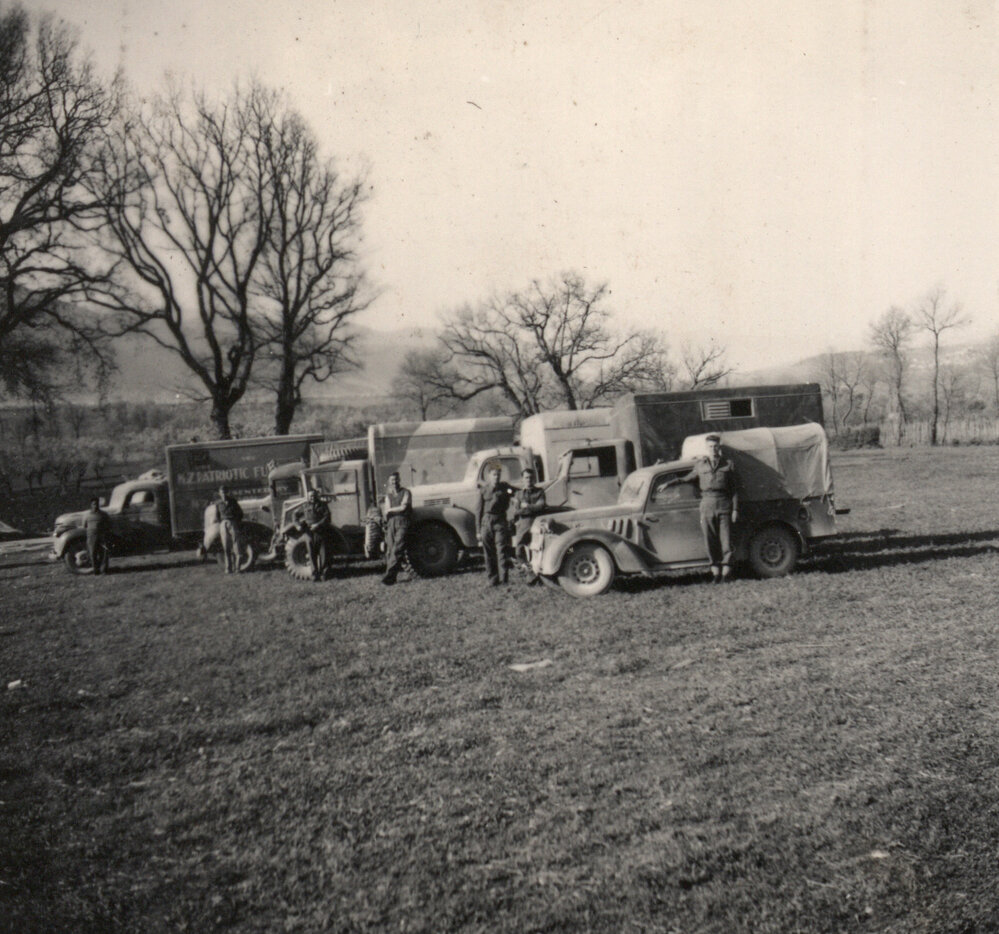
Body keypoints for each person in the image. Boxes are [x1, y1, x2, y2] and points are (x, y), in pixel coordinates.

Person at [672, 433, 739, 583]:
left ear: (719, 447)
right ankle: (715, 571)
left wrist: (735, 509)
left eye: (716, 446)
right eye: (710, 446)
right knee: (710, 539)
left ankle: (726, 571)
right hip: (707, 504)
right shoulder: (700, 465)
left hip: (724, 504)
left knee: (726, 540)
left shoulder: (728, 464)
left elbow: (734, 489)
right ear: (706, 448)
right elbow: (687, 478)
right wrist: (669, 483)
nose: (713, 449)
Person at [477, 463, 515, 586]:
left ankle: (504, 580)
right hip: (486, 522)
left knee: (501, 550)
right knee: (488, 552)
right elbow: (478, 511)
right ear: (489, 476)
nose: (496, 477)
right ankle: (492, 579)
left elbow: (514, 492)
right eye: (494, 474)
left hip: (500, 521)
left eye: (498, 474)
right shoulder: (483, 490)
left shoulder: (505, 488)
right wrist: (478, 530)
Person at [512, 467, 547, 584]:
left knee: (539, 548)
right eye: (526, 477)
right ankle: (529, 573)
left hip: (537, 523)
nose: (529, 480)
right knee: (519, 551)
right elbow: (517, 511)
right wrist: (532, 508)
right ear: (522, 479)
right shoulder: (518, 494)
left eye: (531, 478)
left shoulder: (540, 492)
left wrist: (527, 506)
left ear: (534, 479)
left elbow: (541, 506)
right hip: (524, 524)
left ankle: (542, 574)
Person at [381, 472, 412, 585]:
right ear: (389, 482)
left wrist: (389, 510)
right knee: (390, 550)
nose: (394, 482)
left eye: (395, 480)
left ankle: (389, 576)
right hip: (391, 523)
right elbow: (387, 509)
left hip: (403, 522)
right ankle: (391, 576)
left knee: (397, 549)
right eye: (392, 480)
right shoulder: (388, 495)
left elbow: (403, 507)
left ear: (399, 480)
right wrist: (390, 511)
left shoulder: (406, 492)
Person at [299, 489, 334, 581]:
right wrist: (297, 525)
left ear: (317, 496)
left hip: (321, 532)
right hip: (309, 534)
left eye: (314, 496)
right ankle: (314, 574)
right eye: (310, 496)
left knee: (324, 553)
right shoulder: (304, 506)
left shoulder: (323, 505)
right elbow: (295, 515)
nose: (312, 498)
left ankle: (324, 574)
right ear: (308, 497)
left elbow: (327, 517)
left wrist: (317, 525)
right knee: (311, 554)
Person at [214, 485, 245, 574]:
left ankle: (238, 568)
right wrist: (222, 523)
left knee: (236, 545)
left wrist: (235, 522)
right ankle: (228, 568)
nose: (223, 494)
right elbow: (217, 516)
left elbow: (240, 513)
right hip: (223, 524)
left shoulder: (233, 501)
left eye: (225, 492)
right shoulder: (218, 503)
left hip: (233, 523)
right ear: (219, 493)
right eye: (222, 492)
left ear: (227, 492)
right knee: (226, 546)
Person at [83, 497, 110, 575]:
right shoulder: (87, 515)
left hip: (102, 535)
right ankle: (96, 570)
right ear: (91, 505)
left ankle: (104, 570)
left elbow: (108, 524)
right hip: (91, 535)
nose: (96, 506)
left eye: (97, 504)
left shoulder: (104, 514)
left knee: (104, 552)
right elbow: (84, 526)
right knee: (92, 552)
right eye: (94, 504)